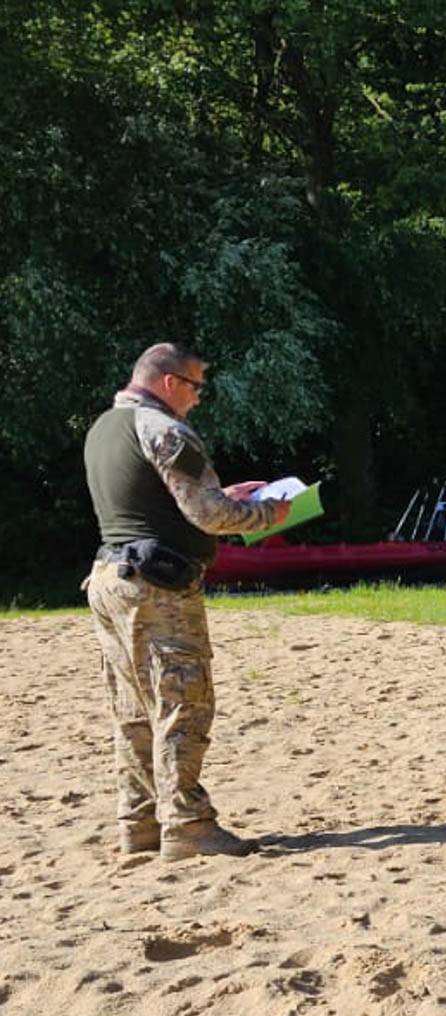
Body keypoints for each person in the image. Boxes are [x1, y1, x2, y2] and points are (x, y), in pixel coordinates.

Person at [83, 342, 291, 858]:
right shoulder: (165, 430)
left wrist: (226, 496)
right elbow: (209, 516)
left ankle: (139, 825)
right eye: (195, 386)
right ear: (169, 382)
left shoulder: (104, 428)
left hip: (109, 578)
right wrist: (268, 514)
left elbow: (154, 502)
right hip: (157, 589)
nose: (198, 398)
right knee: (183, 703)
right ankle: (188, 825)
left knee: (133, 711)